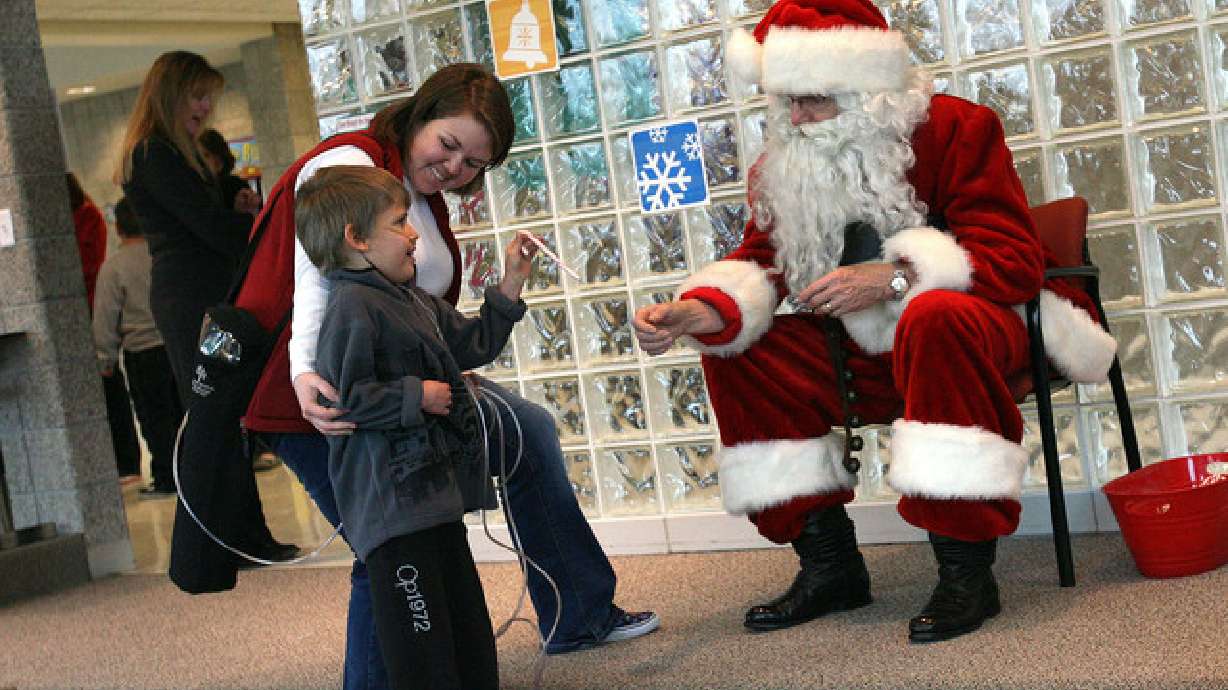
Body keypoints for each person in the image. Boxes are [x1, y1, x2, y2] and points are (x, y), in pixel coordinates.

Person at [632, 0, 1117, 644]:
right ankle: (829, 564)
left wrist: (895, 276)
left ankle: (966, 570)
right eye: (785, 102)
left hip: (979, 332)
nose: (797, 120)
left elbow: (1012, 259)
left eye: (812, 100)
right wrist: (701, 310)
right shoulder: (785, 162)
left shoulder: (958, 128)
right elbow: (761, 263)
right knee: (741, 350)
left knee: (935, 316)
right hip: (866, 355)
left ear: (867, 90)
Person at [235, 63, 658, 689]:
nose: (456, 168)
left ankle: (576, 611)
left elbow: (452, 331)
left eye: (474, 163)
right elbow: (316, 284)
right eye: (449, 145)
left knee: (524, 437)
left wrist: (508, 287)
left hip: (409, 407)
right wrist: (307, 375)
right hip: (318, 400)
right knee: (382, 551)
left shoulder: (411, 208)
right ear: (420, 116)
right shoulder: (352, 172)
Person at [299, 165, 536, 690]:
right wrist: (418, 396)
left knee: (467, 628)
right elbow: (348, 399)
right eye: (399, 223)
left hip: (433, 501)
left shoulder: (408, 299)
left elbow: (472, 343)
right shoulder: (351, 308)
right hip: (392, 512)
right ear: (356, 239)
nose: (413, 235)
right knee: (422, 643)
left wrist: (512, 282)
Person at [116, 50, 294, 559]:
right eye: (198, 97)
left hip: (196, 296)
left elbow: (207, 213)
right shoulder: (156, 154)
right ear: (172, 95)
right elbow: (207, 227)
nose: (204, 108)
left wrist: (233, 202)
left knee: (221, 411)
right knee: (217, 412)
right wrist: (263, 230)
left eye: (208, 99)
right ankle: (231, 538)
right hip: (193, 300)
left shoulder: (167, 152)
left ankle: (237, 536)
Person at [92, 198, 185, 498]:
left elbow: (106, 315)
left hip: (142, 354)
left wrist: (104, 358)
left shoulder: (114, 268)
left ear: (117, 227)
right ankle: (194, 472)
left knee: (155, 419)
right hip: (176, 345)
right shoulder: (165, 256)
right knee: (183, 413)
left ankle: (167, 477)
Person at [67, 172, 142, 485]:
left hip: (87, 312)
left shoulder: (88, 217)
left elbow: (88, 269)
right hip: (79, 314)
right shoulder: (85, 219)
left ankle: (128, 463)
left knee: (110, 388)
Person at [199, 128, 262, 217]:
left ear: (218, 158)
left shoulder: (234, 185)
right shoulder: (203, 186)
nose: (201, 162)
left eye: (206, 155)